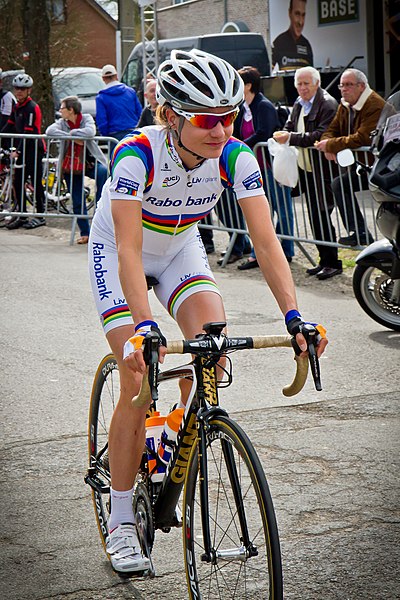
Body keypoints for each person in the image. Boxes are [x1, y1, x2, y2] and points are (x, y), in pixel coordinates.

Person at [88, 49, 328, 576]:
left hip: (179, 248)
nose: (220, 130)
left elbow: (266, 242)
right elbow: (128, 250)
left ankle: (172, 435)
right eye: (205, 119)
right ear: (170, 115)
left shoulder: (237, 156)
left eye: (228, 117)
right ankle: (124, 519)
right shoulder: (136, 156)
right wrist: (144, 327)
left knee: (213, 355)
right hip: (119, 251)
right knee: (137, 379)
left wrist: (295, 317)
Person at [273, 66, 342, 280]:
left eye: (306, 84)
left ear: (317, 84)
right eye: (299, 84)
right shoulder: (298, 103)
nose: (302, 88)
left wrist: (290, 137)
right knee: (314, 216)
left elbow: (320, 135)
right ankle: (324, 260)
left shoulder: (328, 104)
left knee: (323, 214)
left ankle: (333, 262)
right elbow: (290, 124)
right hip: (307, 168)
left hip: (324, 169)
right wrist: (285, 132)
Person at [315, 68, 386, 246]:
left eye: (348, 85)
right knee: (340, 184)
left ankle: (367, 236)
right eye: (342, 85)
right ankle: (359, 232)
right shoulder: (345, 105)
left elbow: (362, 137)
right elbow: (330, 130)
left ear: (361, 86)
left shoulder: (374, 104)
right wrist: (327, 144)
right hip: (365, 165)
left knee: (389, 204)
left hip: (385, 164)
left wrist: (330, 145)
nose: (344, 89)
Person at [235, 66, 294, 270]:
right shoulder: (244, 107)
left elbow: (264, 133)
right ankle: (259, 253)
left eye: (239, 83)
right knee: (261, 212)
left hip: (270, 165)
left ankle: (286, 250)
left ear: (249, 85)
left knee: (282, 209)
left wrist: (241, 145)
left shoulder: (264, 106)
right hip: (255, 167)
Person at [46, 96, 108, 244]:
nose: (60, 111)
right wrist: (72, 137)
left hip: (90, 162)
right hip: (71, 166)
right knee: (77, 200)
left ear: (71, 110)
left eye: (62, 108)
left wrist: (73, 134)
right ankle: (85, 233)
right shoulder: (62, 123)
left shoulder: (86, 118)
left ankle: (99, 214)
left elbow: (90, 132)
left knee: (103, 172)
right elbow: (50, 131)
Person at [3, 73, 46, 230]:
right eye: (17, 89)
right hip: (23, 149)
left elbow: (29, 134)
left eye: (22, 89)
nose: (19, 92)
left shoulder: (31, 107)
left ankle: (41, 215)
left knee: (35, 182)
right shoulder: (17, 107)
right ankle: (22, 214)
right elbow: (10, 126)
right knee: (18, 182)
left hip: (34, 149)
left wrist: (18, 152)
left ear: (29, 90)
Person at [96, 64, 142, 142]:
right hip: (133, 132)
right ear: (116, 76)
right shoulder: (130, 92)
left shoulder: (101, 97)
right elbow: (139, 112)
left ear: (103, 78)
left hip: (114, 136)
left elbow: (102, 119)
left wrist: (105, 135)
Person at [272, 0, 313, 71]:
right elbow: (267, 72)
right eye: (297, 14)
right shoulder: (278, 42)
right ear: (289, 13)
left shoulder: (307, 45)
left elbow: (311, 75)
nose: (300, 22)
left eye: (303, 15)